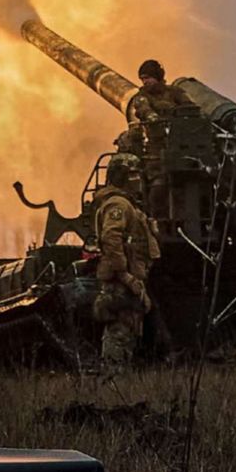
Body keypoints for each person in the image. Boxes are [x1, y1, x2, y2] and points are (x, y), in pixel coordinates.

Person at [92, 153, 160, 369]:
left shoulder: (127, 204)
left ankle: (119, 380)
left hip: (131, 279)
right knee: (119, 331)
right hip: (122, 282)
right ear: (122, 177)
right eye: (133, 174)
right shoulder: (118, 204)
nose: (138, 179)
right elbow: (111, 238)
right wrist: (126, 276)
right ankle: (113, 381)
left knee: (129, 329)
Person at [128, 58, 195, 119]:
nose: (144, 82)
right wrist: (152, 117)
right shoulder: (141, 96)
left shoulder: (174, 91)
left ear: (157, 76)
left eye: (147, 78)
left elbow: (190, 108)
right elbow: (144, 109)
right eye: (142, 79)